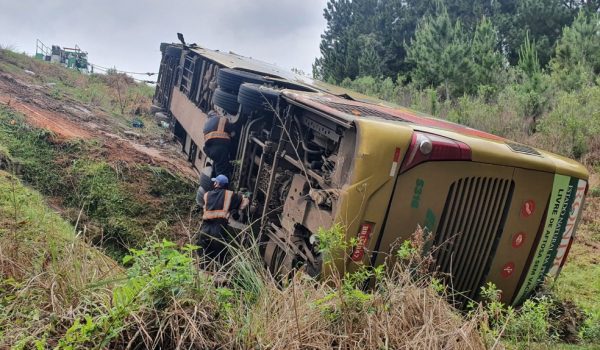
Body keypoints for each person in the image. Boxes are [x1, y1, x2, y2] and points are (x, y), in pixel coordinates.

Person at [198, 174, 249, 265]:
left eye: (215, 182)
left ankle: (203, 274)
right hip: (219, 229)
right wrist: (238, 210)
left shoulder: (206, 194)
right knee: (219, 259)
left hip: (205, 228)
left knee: (204, 258)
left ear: (217, 184)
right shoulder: (230, 194)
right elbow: (245, 201)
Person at [203, 110, 233, 178]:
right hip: (219, 148)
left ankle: (213, 182)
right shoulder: (222, 119)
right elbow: (233, 132)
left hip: (208, 150)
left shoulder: (207, 124)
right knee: (222, 172)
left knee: (217, 164)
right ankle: (220, 187)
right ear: (216, 113)